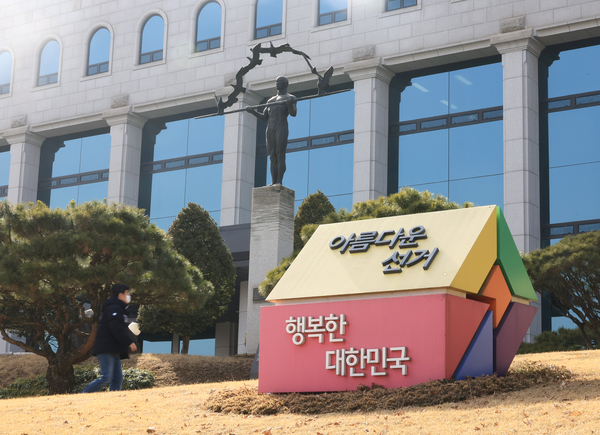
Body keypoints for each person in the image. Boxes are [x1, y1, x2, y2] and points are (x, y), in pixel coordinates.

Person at [82, 283, 137, 393]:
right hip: (106, 347)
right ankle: (82, 395)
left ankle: (113, 399)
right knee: (106, 377)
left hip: (113, 348)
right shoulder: (114, 308)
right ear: (120, 295)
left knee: (117, 379)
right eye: (127, 293)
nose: (129, 295)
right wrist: (129, 342)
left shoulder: (118, 308)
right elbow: (115, 327)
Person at [246, 76, 297, 185]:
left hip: (281, 127)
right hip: (270, 128)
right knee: (272, 156)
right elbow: (264, 118)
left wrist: (290, 105)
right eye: (276, 81)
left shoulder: (291, 97)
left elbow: (293, 113)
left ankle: (279, 181)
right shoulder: (270, 100)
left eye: (280, 81)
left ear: (286, 84)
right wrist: (253, 112)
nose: (277, 83)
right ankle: (273, 181)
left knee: (280, 154)